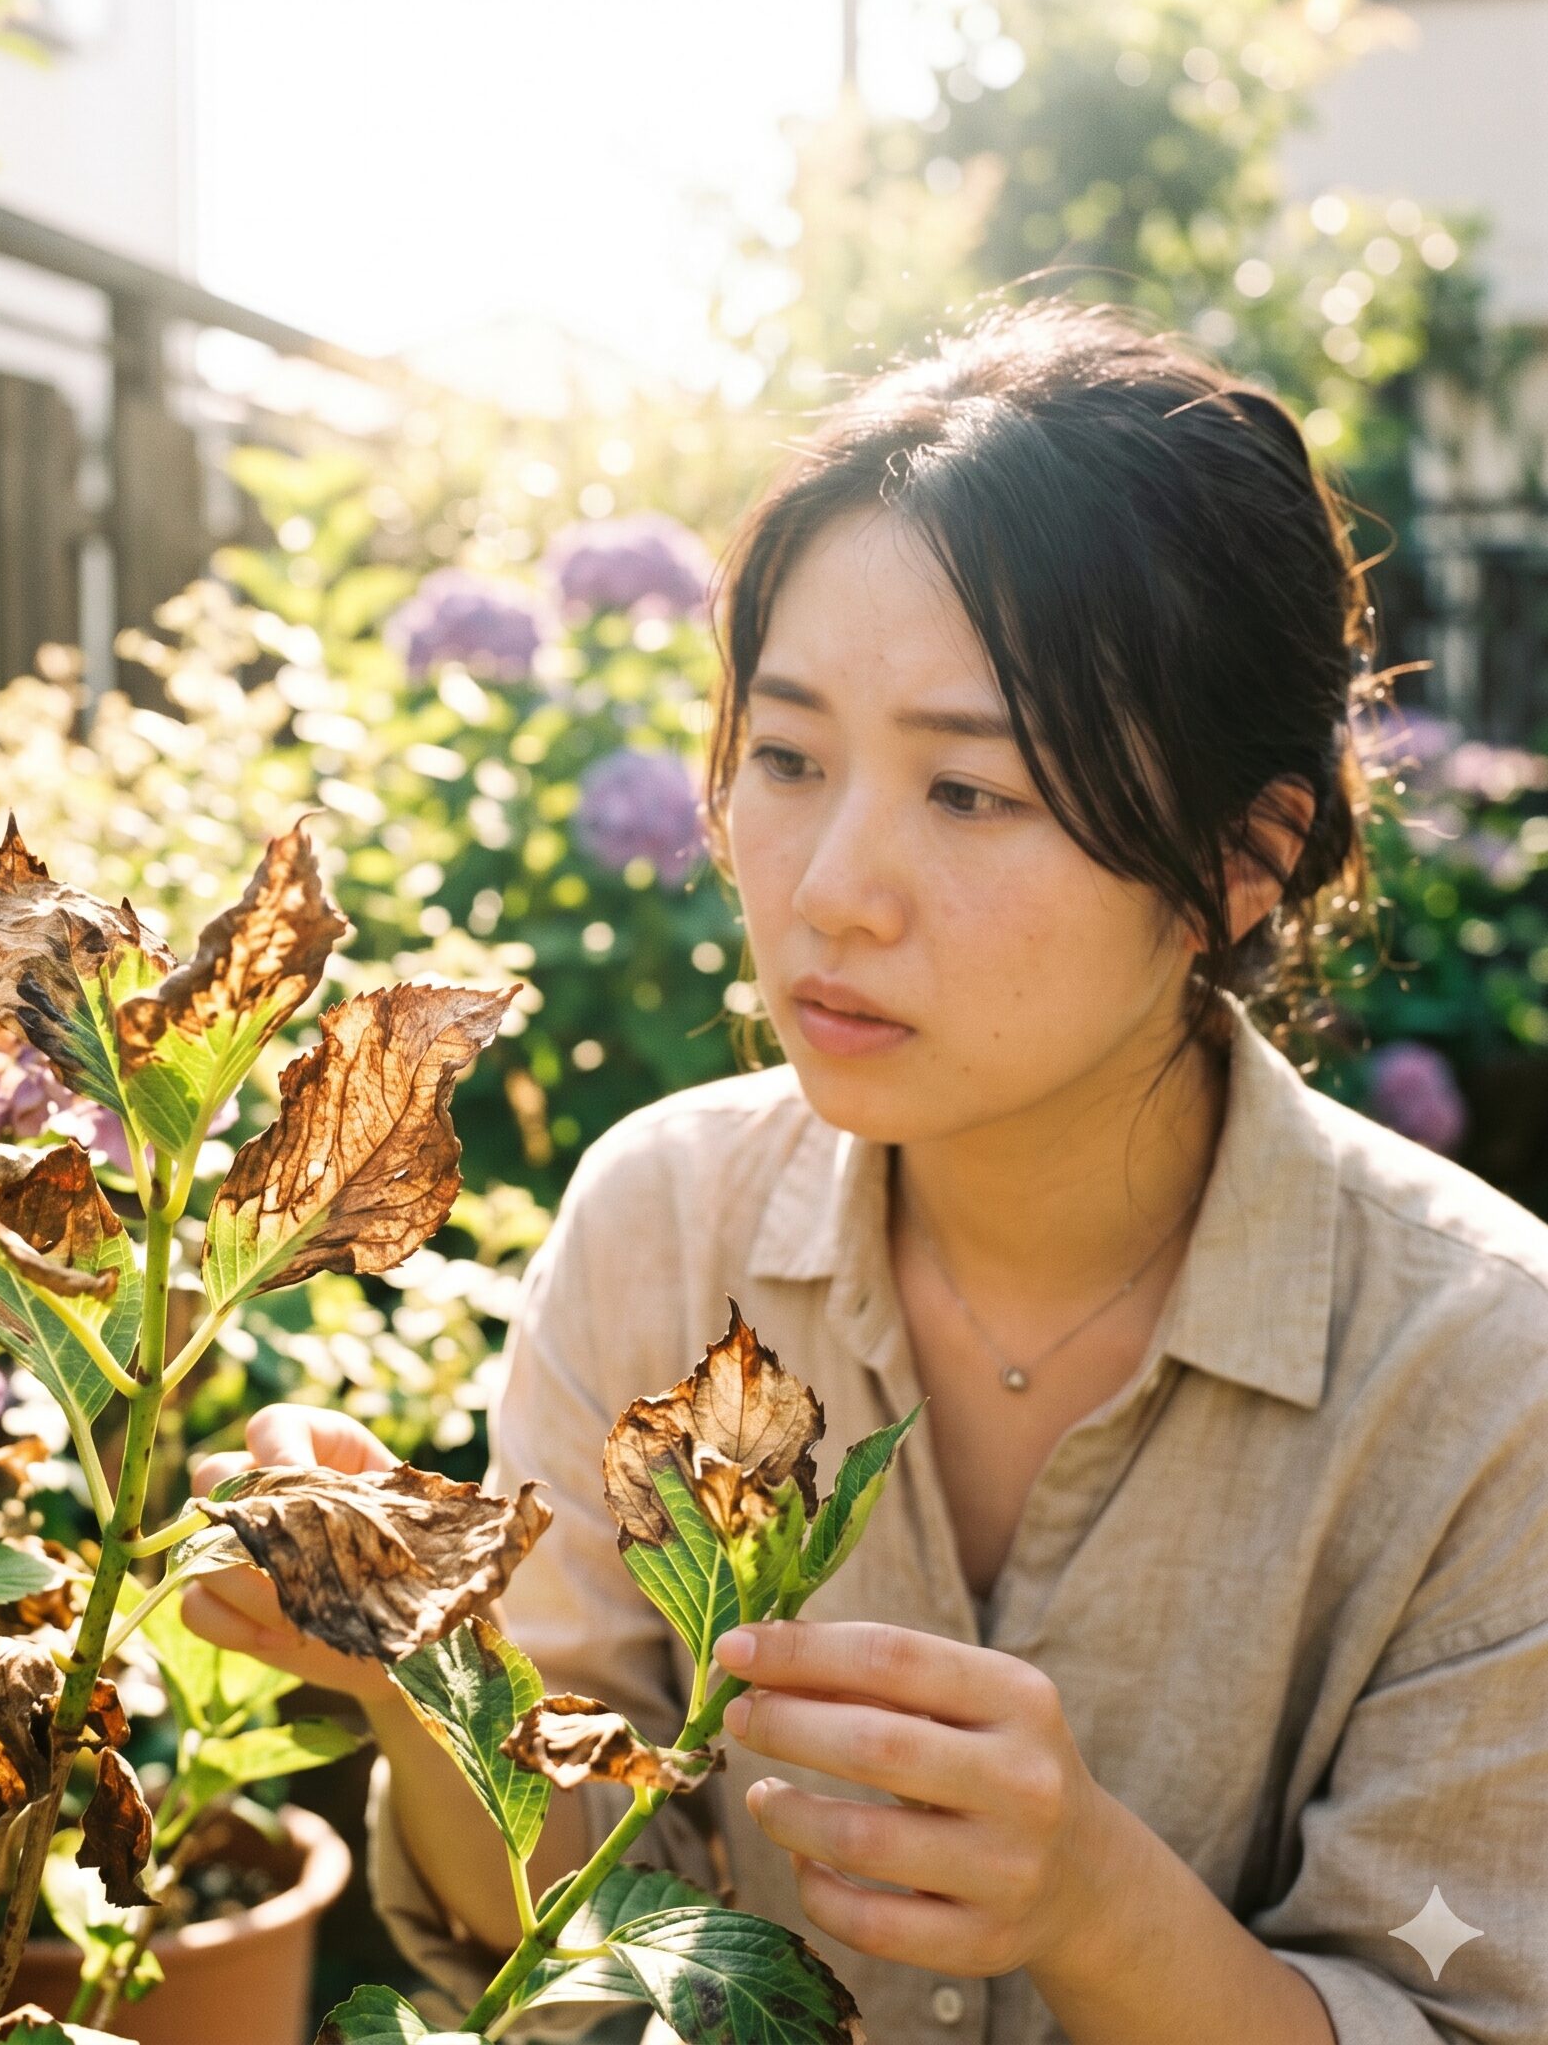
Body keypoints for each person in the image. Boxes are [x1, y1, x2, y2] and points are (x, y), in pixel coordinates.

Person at [188, 301, 1548, 2043]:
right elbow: (575, 1937)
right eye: (789, 757)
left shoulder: (1485, 1386)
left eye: (969, 792)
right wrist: (410, 1670)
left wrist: (1093, 1905)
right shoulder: (660, 1226)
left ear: (1240, 863)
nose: (831, 886)